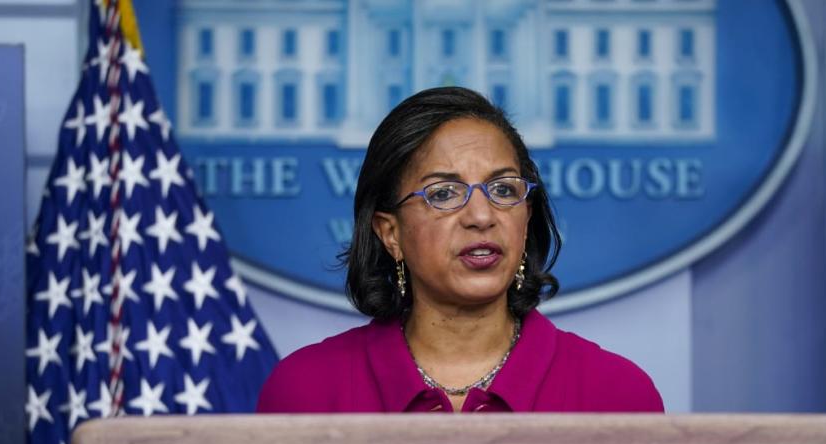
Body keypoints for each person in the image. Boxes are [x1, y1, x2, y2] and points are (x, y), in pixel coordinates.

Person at [257, 87, 663, 414]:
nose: (482, 216)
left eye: (504, 189)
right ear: (390, 233)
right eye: (444, 193)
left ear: (526, 219)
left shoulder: (618, 394)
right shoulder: (304, 391)